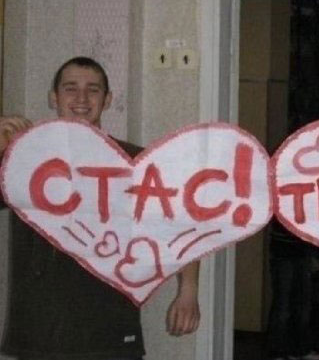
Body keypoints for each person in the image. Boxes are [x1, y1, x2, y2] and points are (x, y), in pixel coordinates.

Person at [0, 57, 201, 360]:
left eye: (93, 90)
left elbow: (182, 221)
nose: (81, 98)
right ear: (54, 98)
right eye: (70, 88)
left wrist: (188, 292)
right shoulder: (23, 160)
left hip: (110, 329)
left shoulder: (134, 161)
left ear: (107, 100)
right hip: (40, 332)